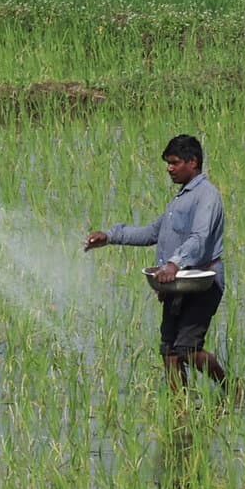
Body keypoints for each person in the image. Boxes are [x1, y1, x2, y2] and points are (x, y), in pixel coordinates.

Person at [85, 134, 228, 389]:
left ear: (192, 162)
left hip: (201, 282)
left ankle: (232, 390)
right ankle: (180, 409)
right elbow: (153, 233)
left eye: (174, 163)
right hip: (175, 284)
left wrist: (173, 264)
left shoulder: (207, 196)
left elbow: (200, 238)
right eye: (168, 163)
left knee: (187, 349)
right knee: (169, 353)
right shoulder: (179, 199)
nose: (169, 168)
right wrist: (109, 236)